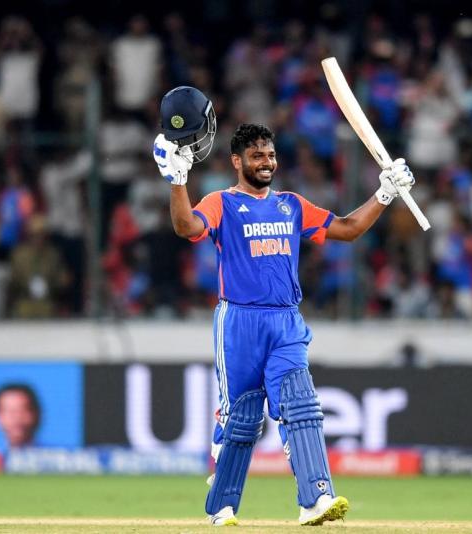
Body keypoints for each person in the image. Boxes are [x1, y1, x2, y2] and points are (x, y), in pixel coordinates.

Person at [152, 86, 415, 526]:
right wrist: (176, 180)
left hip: (286, 322)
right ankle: (221, 506)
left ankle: (316, 498)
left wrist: (385, 193)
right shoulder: (222, 203)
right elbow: (186, 227)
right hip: (238, 322)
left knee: (301, 404)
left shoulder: (291, 205)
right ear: (237, 161)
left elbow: (348, 229)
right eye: (256, 156)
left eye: (270, 155)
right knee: (242, 420)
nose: (266, 162)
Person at [0, 383, 41, 448]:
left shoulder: (52, 453)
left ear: (36, 414)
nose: (17, 417)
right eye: (10, 411)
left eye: (23, 410)